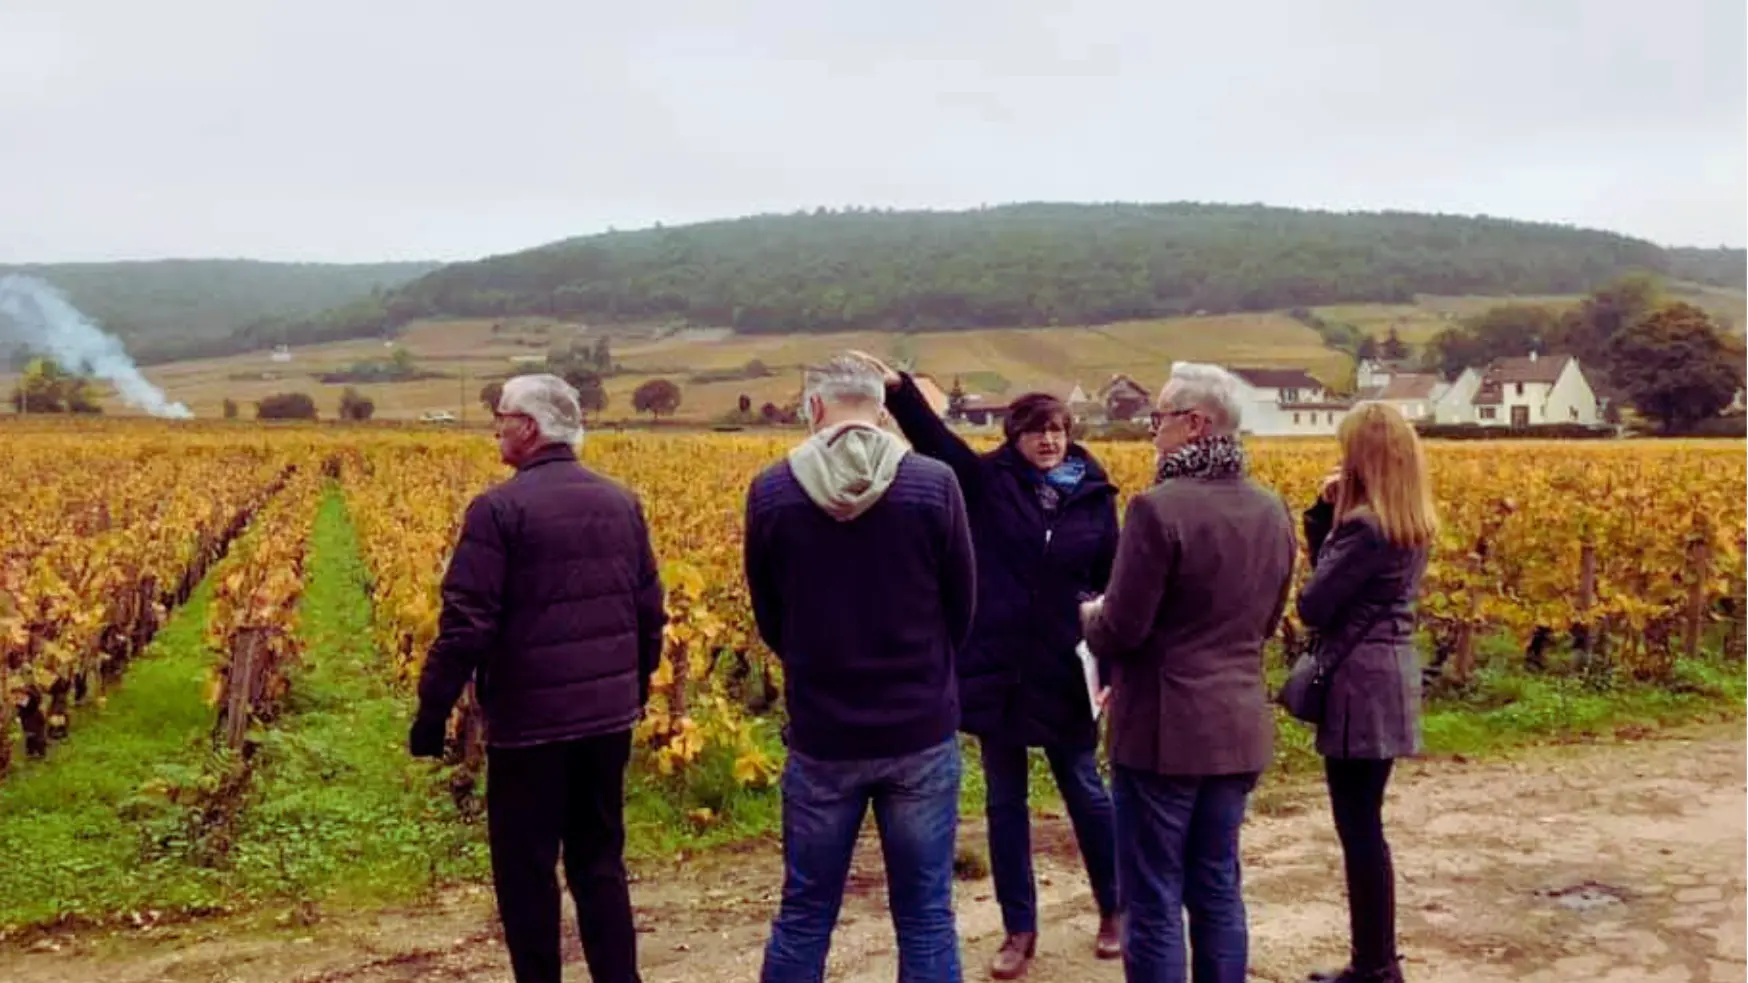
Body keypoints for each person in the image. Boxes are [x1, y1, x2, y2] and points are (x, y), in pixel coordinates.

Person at [849, 351, 1122, 978]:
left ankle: (1115, 907)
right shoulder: (984, 482)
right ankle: (1018, 929)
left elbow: (1112, 583)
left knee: (1085, 789)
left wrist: (1105, 660)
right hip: (997, 668)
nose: (1049, 441)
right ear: (1015, 437)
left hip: (1065, 668)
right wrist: (899, 391)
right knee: (1005, 801)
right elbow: (935, 440)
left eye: (1057, 430)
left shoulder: (1097, 496)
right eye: (1036, 431)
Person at [409, 373, 666, 983]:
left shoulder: (498, 510)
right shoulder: (620, 501)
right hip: (608, 722)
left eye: (501, 415)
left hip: (530, 729)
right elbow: (649, 612)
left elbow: (467, 625)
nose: (495, 427)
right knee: (599, 863)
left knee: (527, 874)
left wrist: (431, 711)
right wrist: (632, 693)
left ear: (528, 427)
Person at [744, 354, 977, 983]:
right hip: (920, 730)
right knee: (927, 915)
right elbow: (962, 604)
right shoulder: (933, 484)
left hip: (824, 733)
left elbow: (770, 613)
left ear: (815, 408)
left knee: (805, 912)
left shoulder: (772, 489)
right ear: (880, 410)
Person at [1079, 362, 1296, 983]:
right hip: (1238, 724)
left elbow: (1122, 629)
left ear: (1196, 425)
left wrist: (1090, 614)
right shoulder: (1270, 507)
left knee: (1151, 895)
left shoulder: (1157, 509)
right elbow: (1266, 618)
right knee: (1218, 884)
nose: (1153, 432)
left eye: (1161, 418)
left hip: (1163, 732)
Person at [1295, 403, 1436, 983]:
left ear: (1363, 457)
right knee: (1365, 824)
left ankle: (1375, 967)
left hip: (1357, 682)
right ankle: (1376, 962)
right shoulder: (1412, 520)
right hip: (1390, 673)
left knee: (1358, 828)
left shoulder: (1365, 527)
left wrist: (1327, 521)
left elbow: (1313, 605)